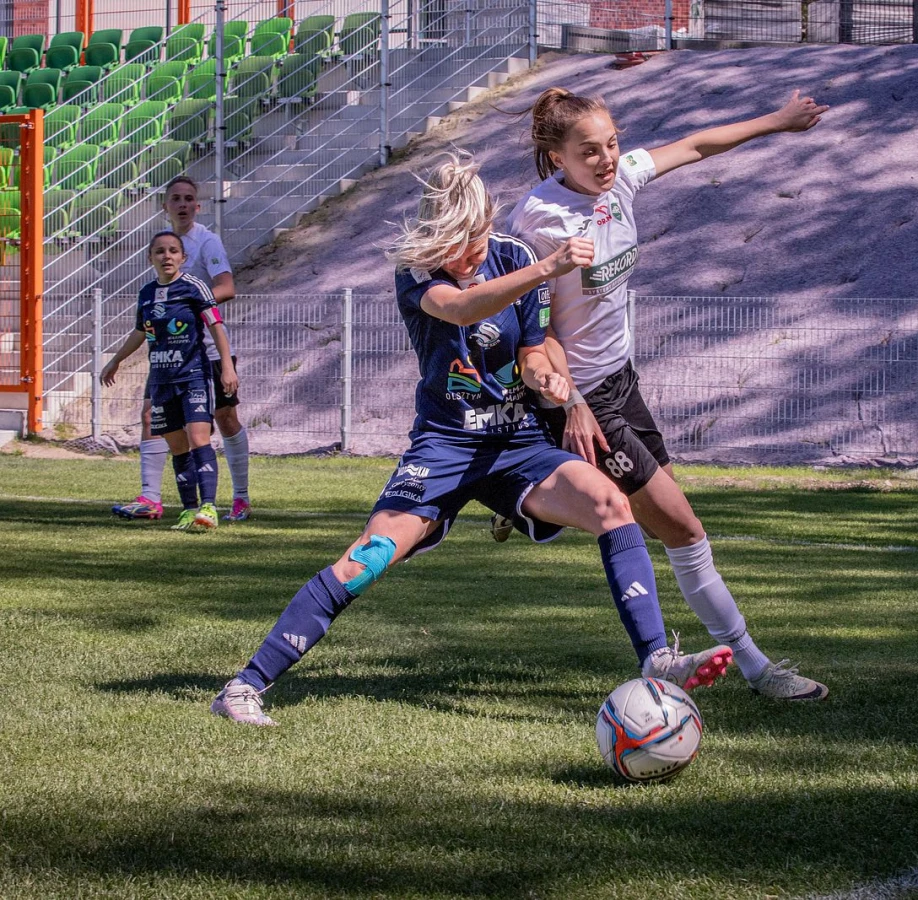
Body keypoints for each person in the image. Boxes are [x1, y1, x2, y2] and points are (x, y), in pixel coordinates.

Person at [210, 153, 732, 726]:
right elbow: (460, 310)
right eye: (459, 244)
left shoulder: (515, 256)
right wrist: (548, 267)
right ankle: (244, 687)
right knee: (370, 556)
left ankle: (657, 659)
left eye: (479, 236)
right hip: (446, 445)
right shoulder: (417, 272)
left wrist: (546, 378)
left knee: (612, 503)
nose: (473, 252)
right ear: (436, 238)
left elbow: (533, 349)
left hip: (518, 444)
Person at [503, 87, 830, 701]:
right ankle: (759, 670)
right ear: (556, 155)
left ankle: (531, 504)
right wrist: (570, 402)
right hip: (584, 400)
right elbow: (532, 331)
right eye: (588, 151)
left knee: (663, 527)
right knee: (684, 529)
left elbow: (696, 145)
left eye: (611, 144)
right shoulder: (539, 220)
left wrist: (779, 121)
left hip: (623, 382)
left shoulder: (621, 180)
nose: (606, 159)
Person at [113, 176, 252, 523]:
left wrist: (186, 304)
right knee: (151, 415)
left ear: (197, 206)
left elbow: (227, 287)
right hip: (168, 355)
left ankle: (240, 497)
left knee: (224, 419)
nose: (183, 204)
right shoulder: (164, 245)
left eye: (189, 198)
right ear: (166, 206)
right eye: (176, 198)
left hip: (206, 350)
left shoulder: (207, 241)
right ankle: (150, 498)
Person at [100, 231, 239, 532]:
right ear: (150, 258)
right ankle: (188, 510)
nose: (167, 256)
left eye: (173, 251)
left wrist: (227, 367)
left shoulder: (194, 287)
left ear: (183, 257)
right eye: (160, 251)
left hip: (194, 375)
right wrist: (116, 360)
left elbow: (216, 325)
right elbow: (141, 332)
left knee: (198, 438)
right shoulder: (147, 293)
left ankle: (209, 507)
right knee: (177, 446)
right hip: (162, 380)